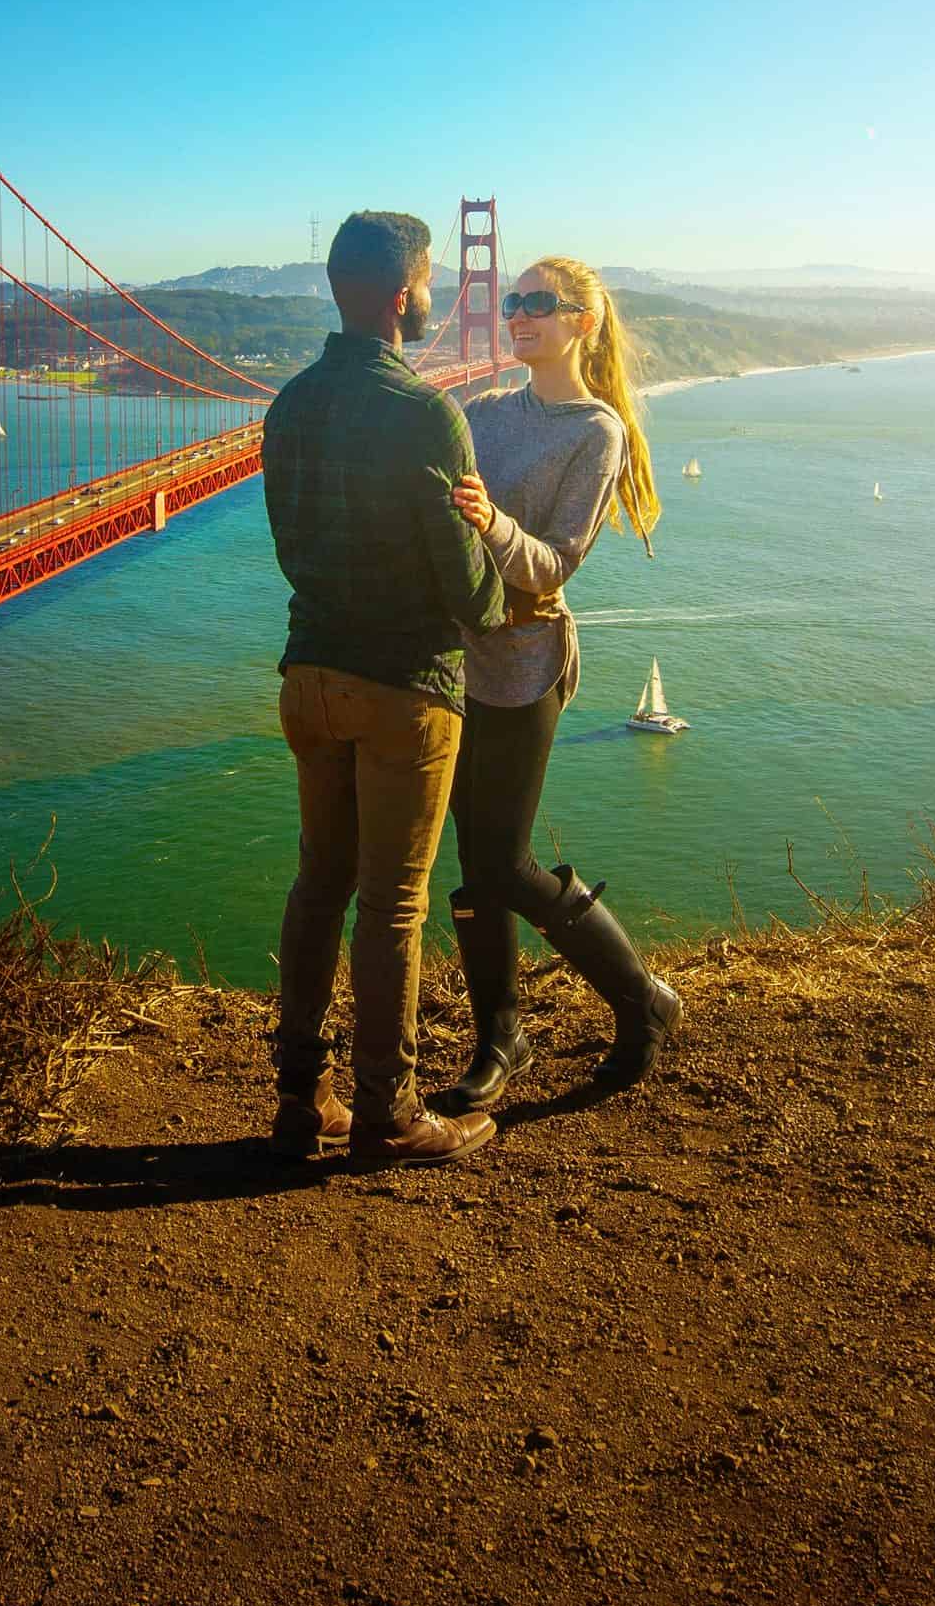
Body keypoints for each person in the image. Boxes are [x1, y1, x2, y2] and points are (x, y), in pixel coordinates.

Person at [260, 211, 506, 1166]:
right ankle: (387, 1112)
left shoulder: (288, 404)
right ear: (404, 294)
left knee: (318, 882)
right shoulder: (428, 414)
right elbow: (474, 601)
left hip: (309, 677)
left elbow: (289, 545)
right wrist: (492, 546)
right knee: (392, 904)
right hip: (405, 689)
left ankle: (298, 1102)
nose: (440, 290)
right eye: (432, 276)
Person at [429, 255, 683, 1113]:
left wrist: (483, 518)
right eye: (514, 301)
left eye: (540, 303)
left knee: (507, 859)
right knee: (471, 865)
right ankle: (500, 1039)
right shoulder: (484, 411)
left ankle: (643, 999)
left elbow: (554, 563)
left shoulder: (596, 432)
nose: (519, 314)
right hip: (454, 660)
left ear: (582, 321)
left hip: (527, 663)